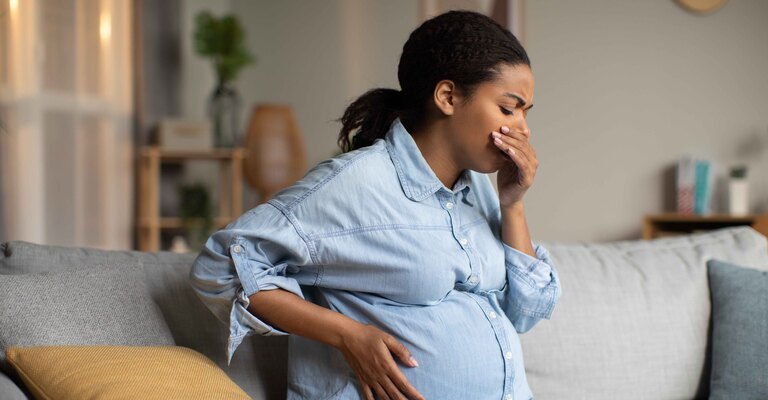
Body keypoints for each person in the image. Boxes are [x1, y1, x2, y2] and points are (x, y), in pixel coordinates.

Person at [190, 10, 561, 400]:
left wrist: (513, 205)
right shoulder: (356, 184)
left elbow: (524, 313)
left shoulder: (480, 188)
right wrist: (347, 334)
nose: (522, 128)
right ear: (448, 97)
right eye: (508, 108)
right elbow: (223, 264)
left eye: (524, 112)